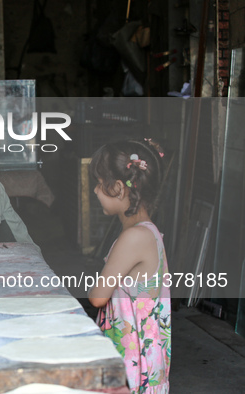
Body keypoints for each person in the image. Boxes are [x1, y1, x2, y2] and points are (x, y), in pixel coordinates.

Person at [88, 139, 171, 393]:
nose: (94, 191)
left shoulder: (133, 238)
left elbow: (97, 297)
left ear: (119, 190)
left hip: (132, 363)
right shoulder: (147, 232)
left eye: (99, 184)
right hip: (140, 357)